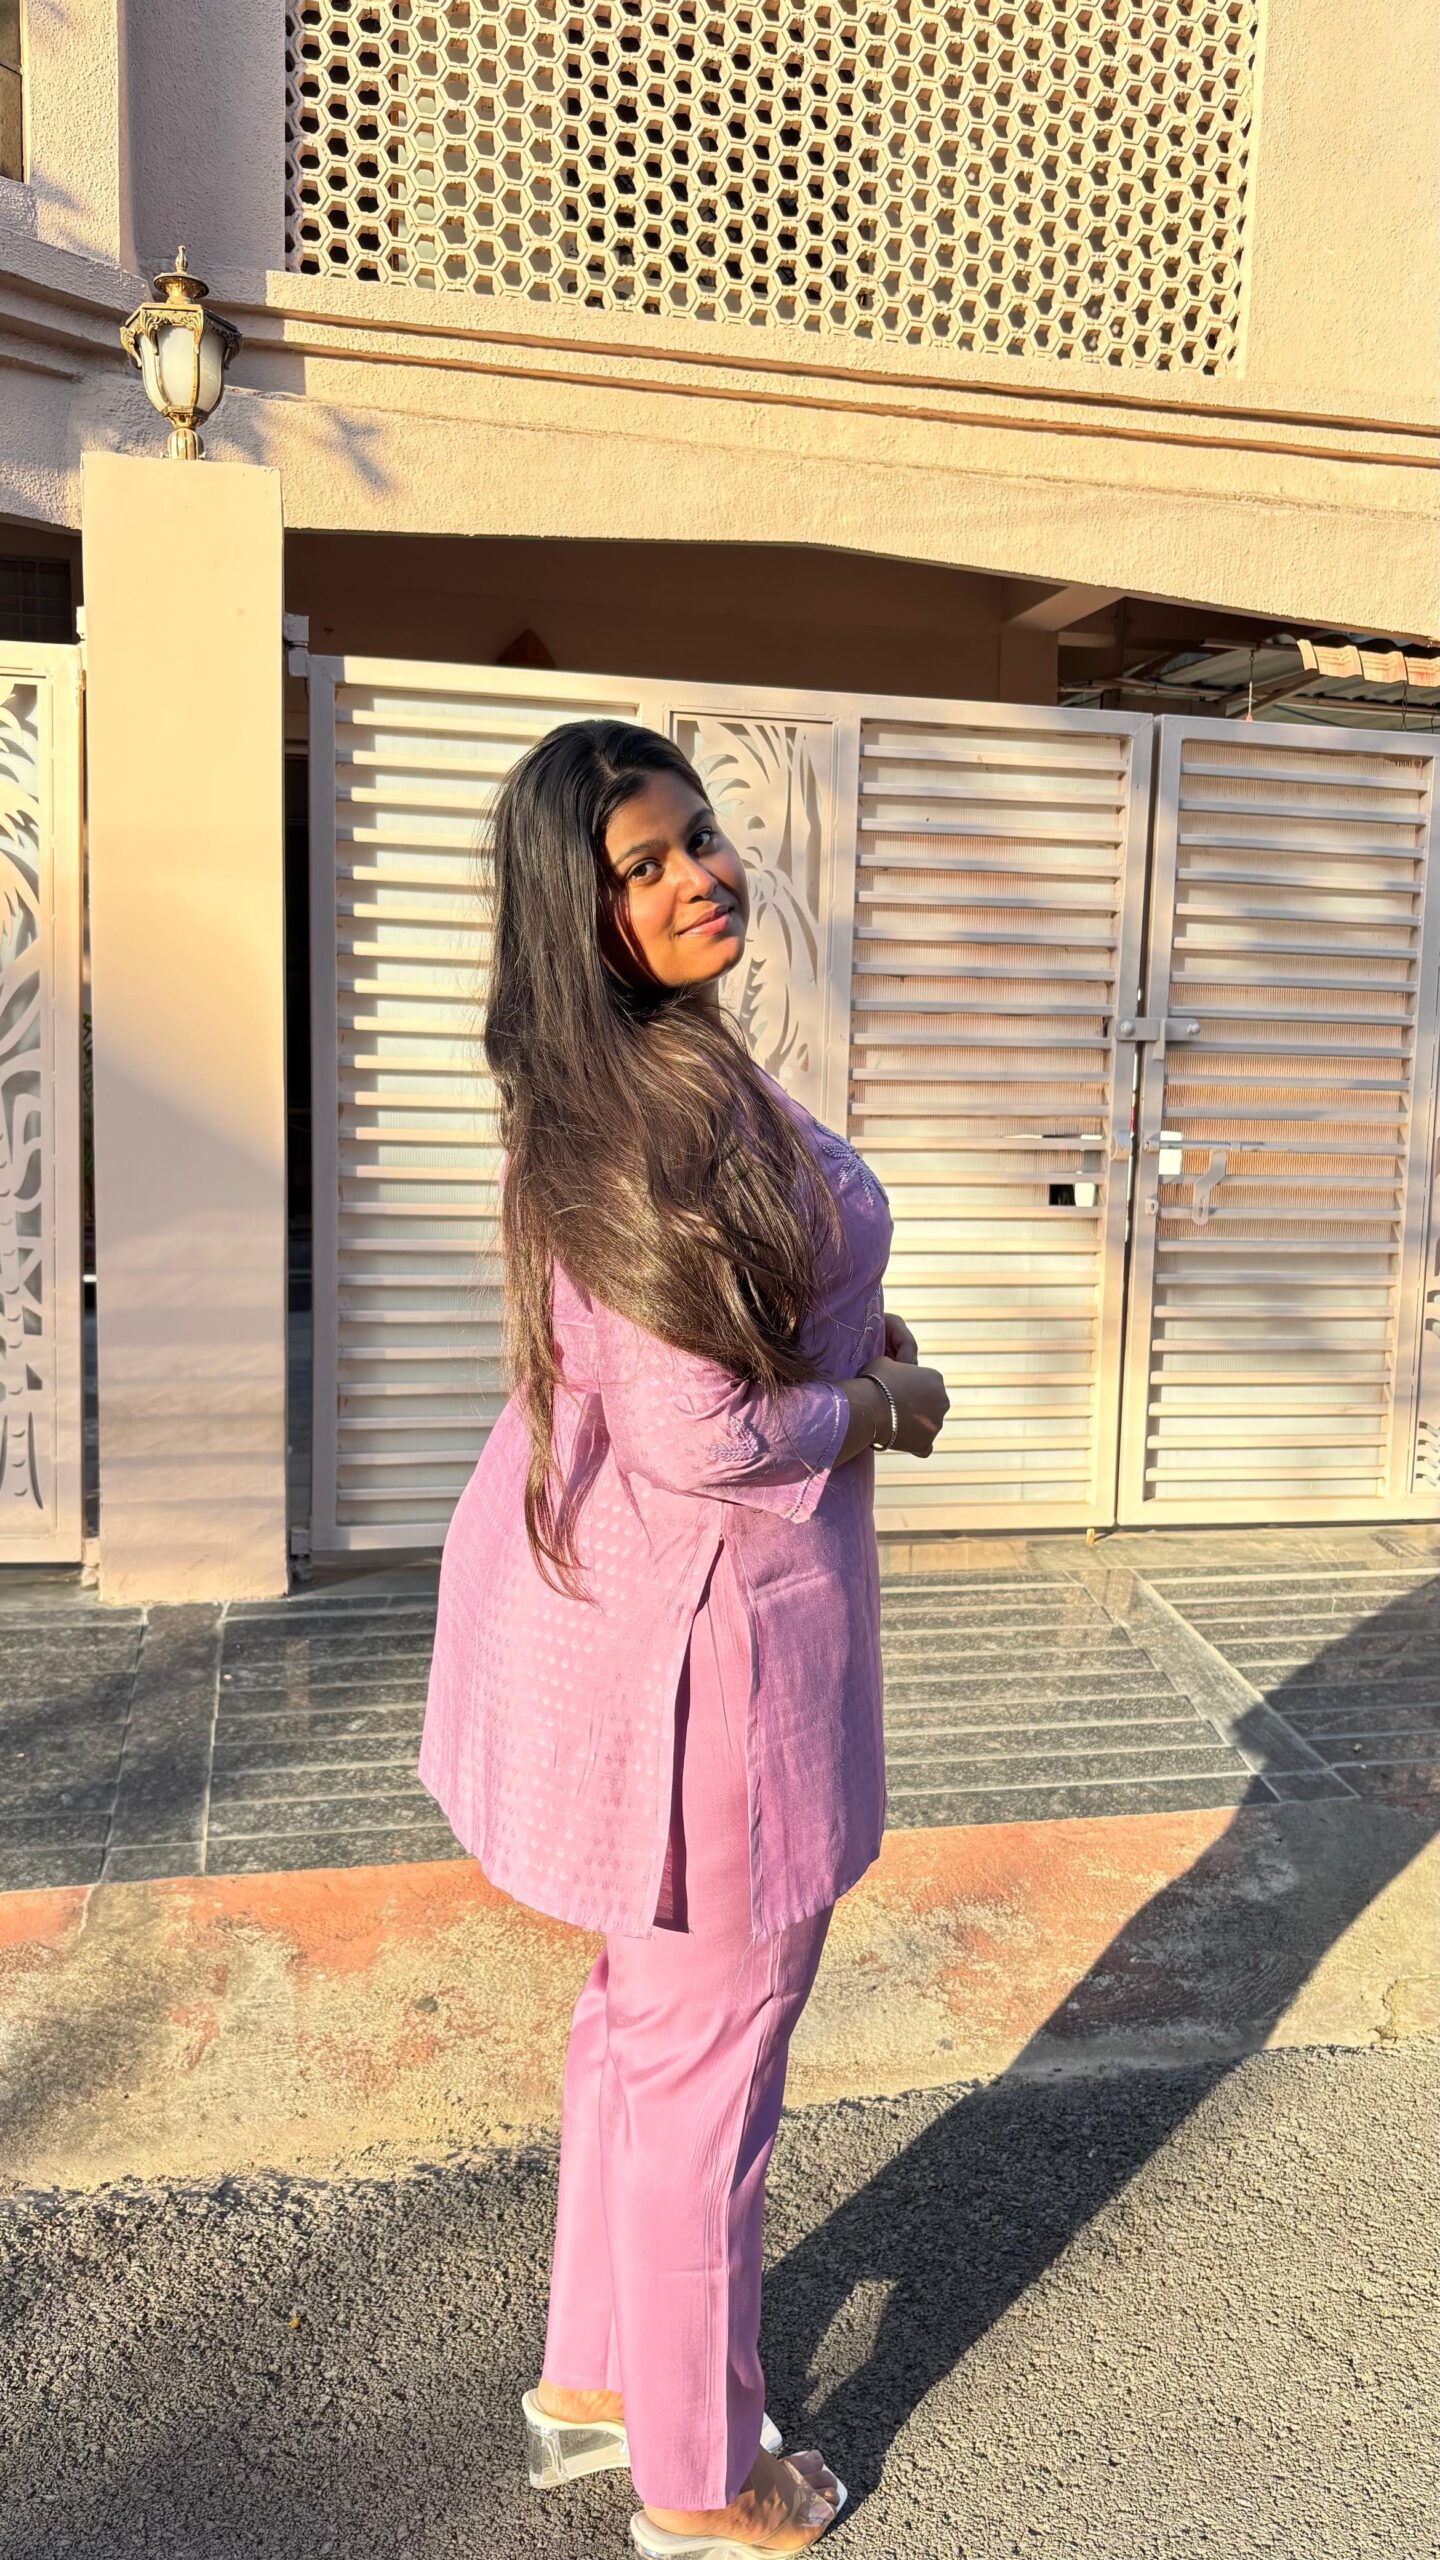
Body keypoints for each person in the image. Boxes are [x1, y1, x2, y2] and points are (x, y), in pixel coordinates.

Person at [418, 720, 949, 2556]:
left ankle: (595, 2382)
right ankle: (702, 2484)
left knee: (642, 2030)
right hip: (715, 1658)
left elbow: (731, 1333)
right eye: (641, 866)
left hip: (658, 1626)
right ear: (578, 914)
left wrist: (848, 1337)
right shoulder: (639, 1119)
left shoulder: (648, 1069)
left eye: (699, 836)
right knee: (712, 2072)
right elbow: (704, 1434)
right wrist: (880, 1406)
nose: (699, 874)